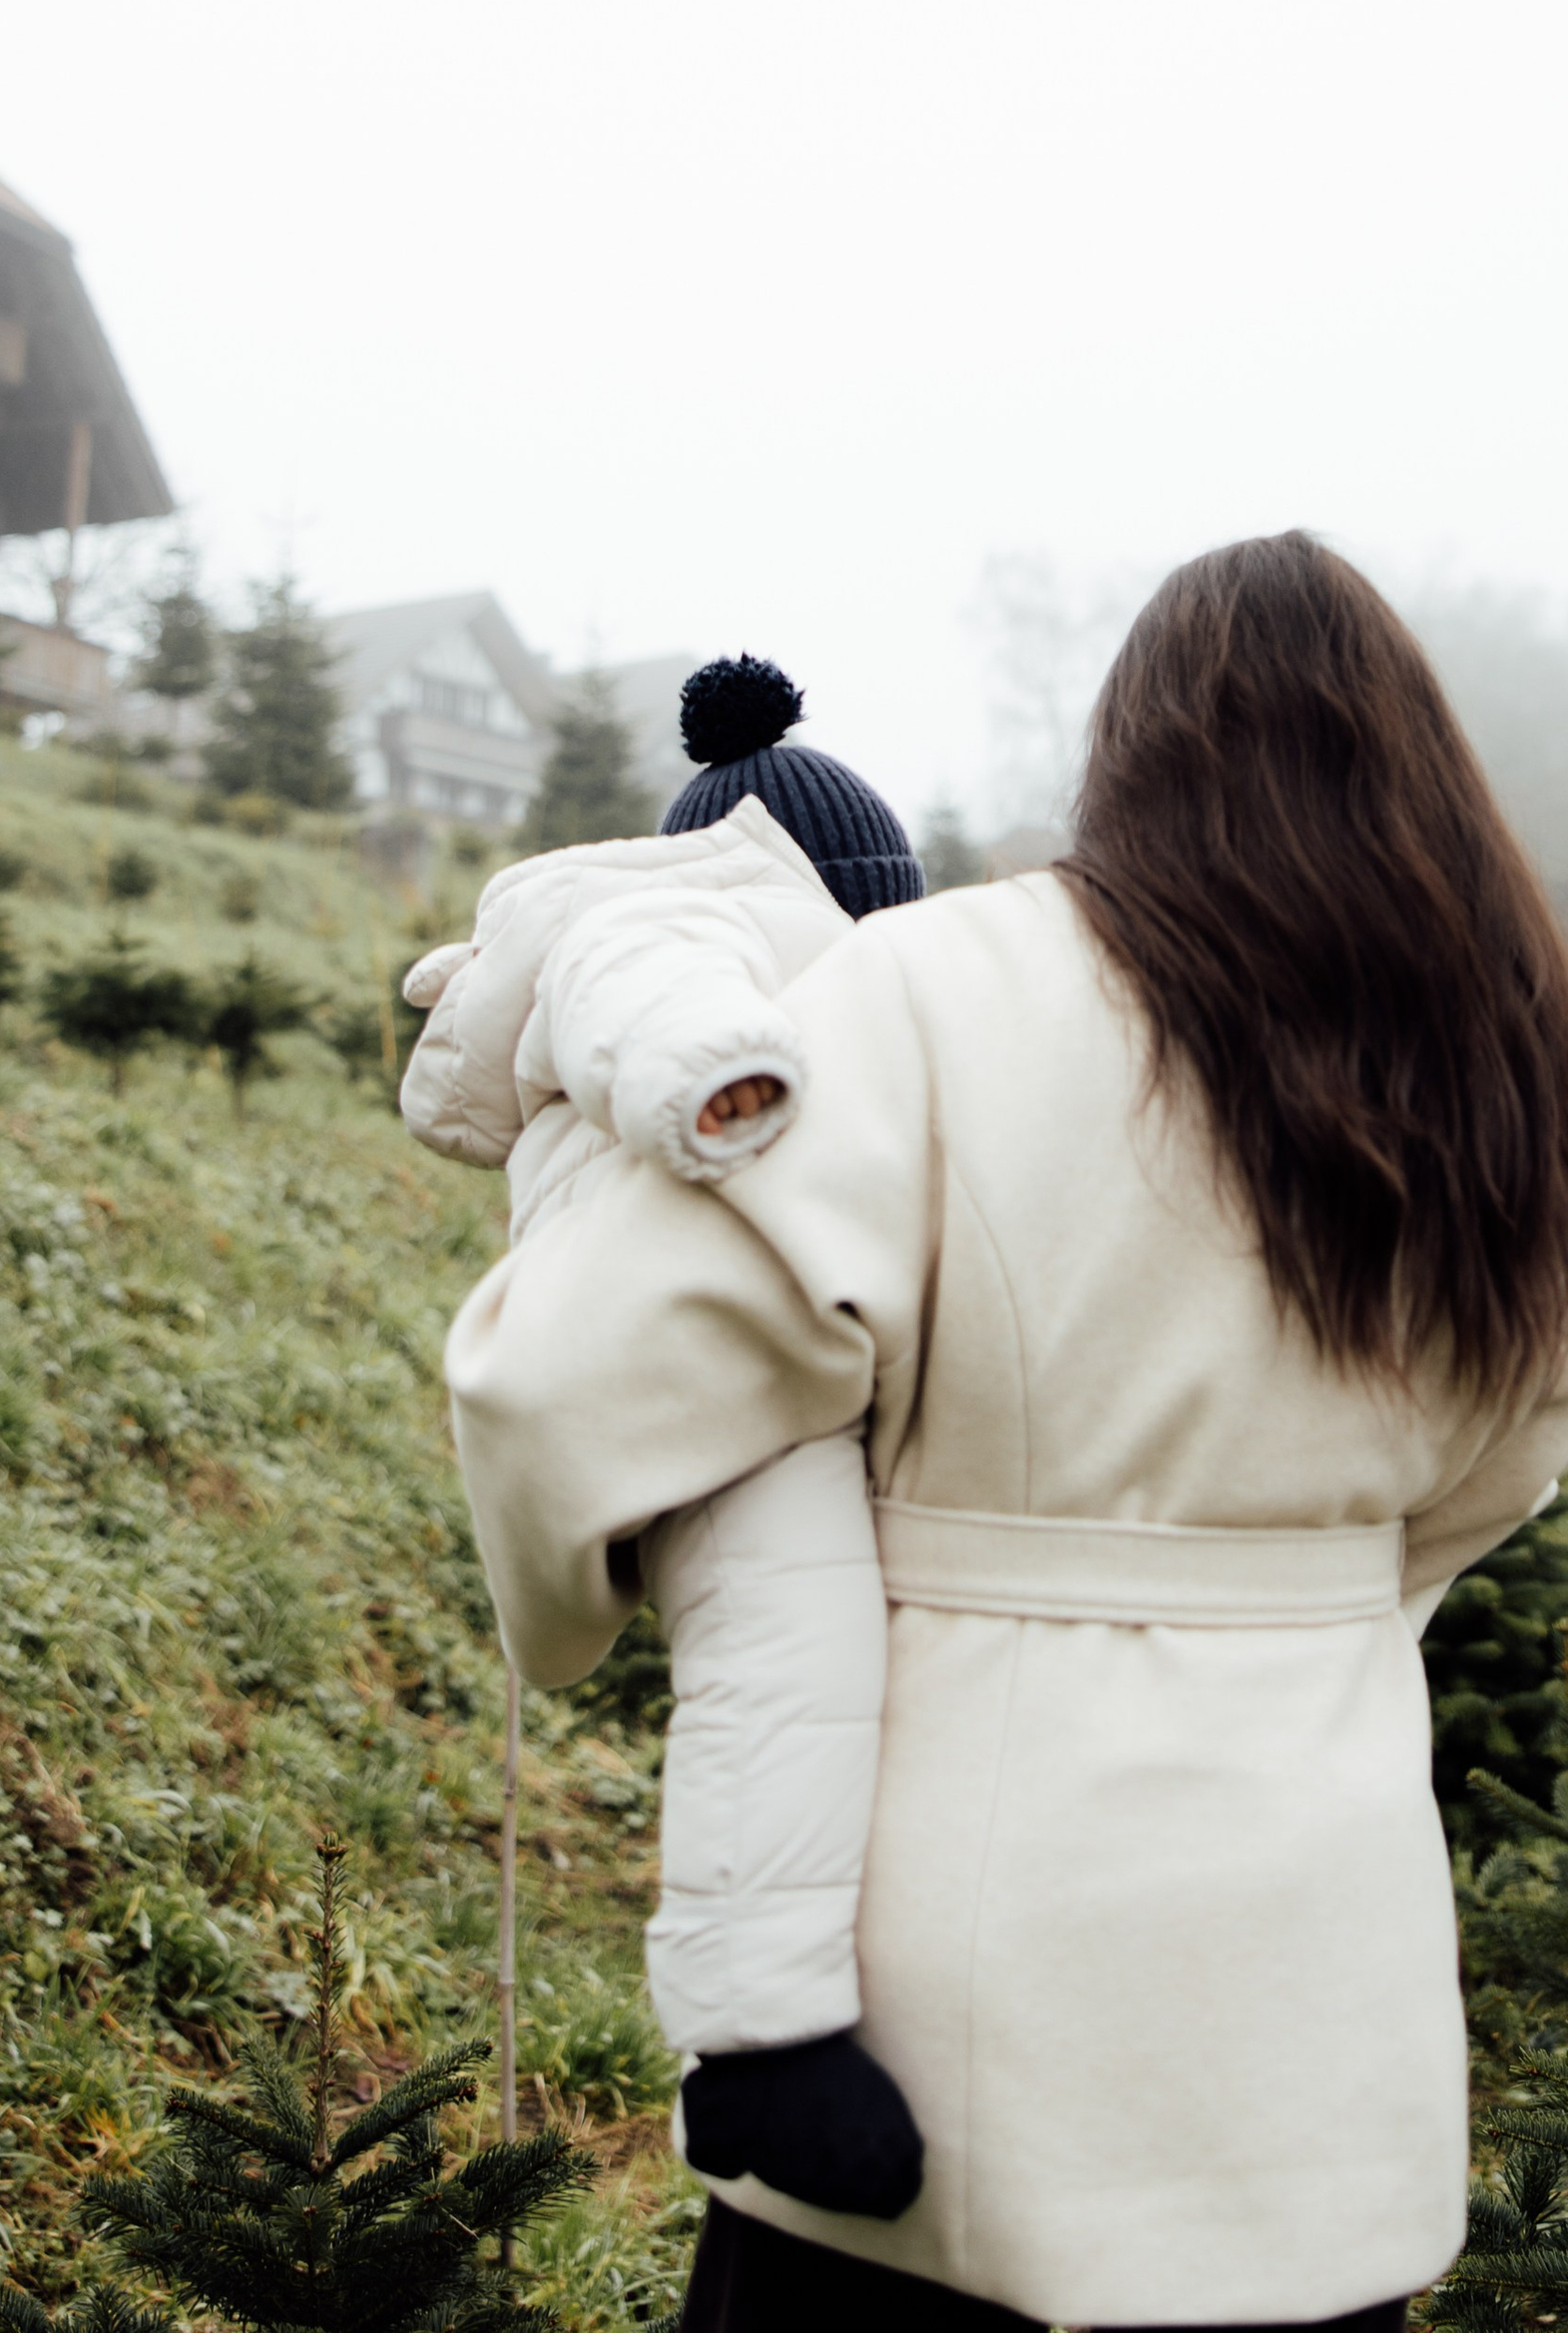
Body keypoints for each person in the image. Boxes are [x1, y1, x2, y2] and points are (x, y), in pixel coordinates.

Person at [443, 536, 1568, 2331]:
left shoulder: (944, 988)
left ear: (1130, 753)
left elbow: (576, 1371)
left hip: (960, 1956)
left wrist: (580, 1590)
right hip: (1322, 1959)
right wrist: (1316, 1595)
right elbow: (1559, 1390)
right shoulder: (1497, 1058)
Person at [401, 655, 931, 2218]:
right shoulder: (670, 924)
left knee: (787, 1638)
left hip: (699, 1327)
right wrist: (725, 1084)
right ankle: (761, 2037)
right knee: (784, 1629)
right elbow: (653, 994)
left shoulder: (691, 924)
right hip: (692, 1360)